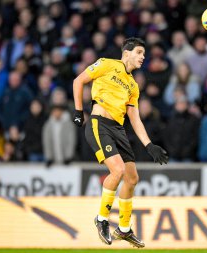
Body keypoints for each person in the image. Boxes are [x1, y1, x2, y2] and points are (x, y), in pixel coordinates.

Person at [72, 37, 168, 248]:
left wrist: (149, 145)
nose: (143, 57)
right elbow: (78, 81)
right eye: (140, 52)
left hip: (118, 129)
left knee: (132, 178)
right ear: (127, 53)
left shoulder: (133, 86)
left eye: (144, 54)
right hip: (99, 123)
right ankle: (102, 218)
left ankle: (124, 229)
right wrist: (79, 111)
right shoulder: (106, 64)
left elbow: (134, 118)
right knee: (117, 171)